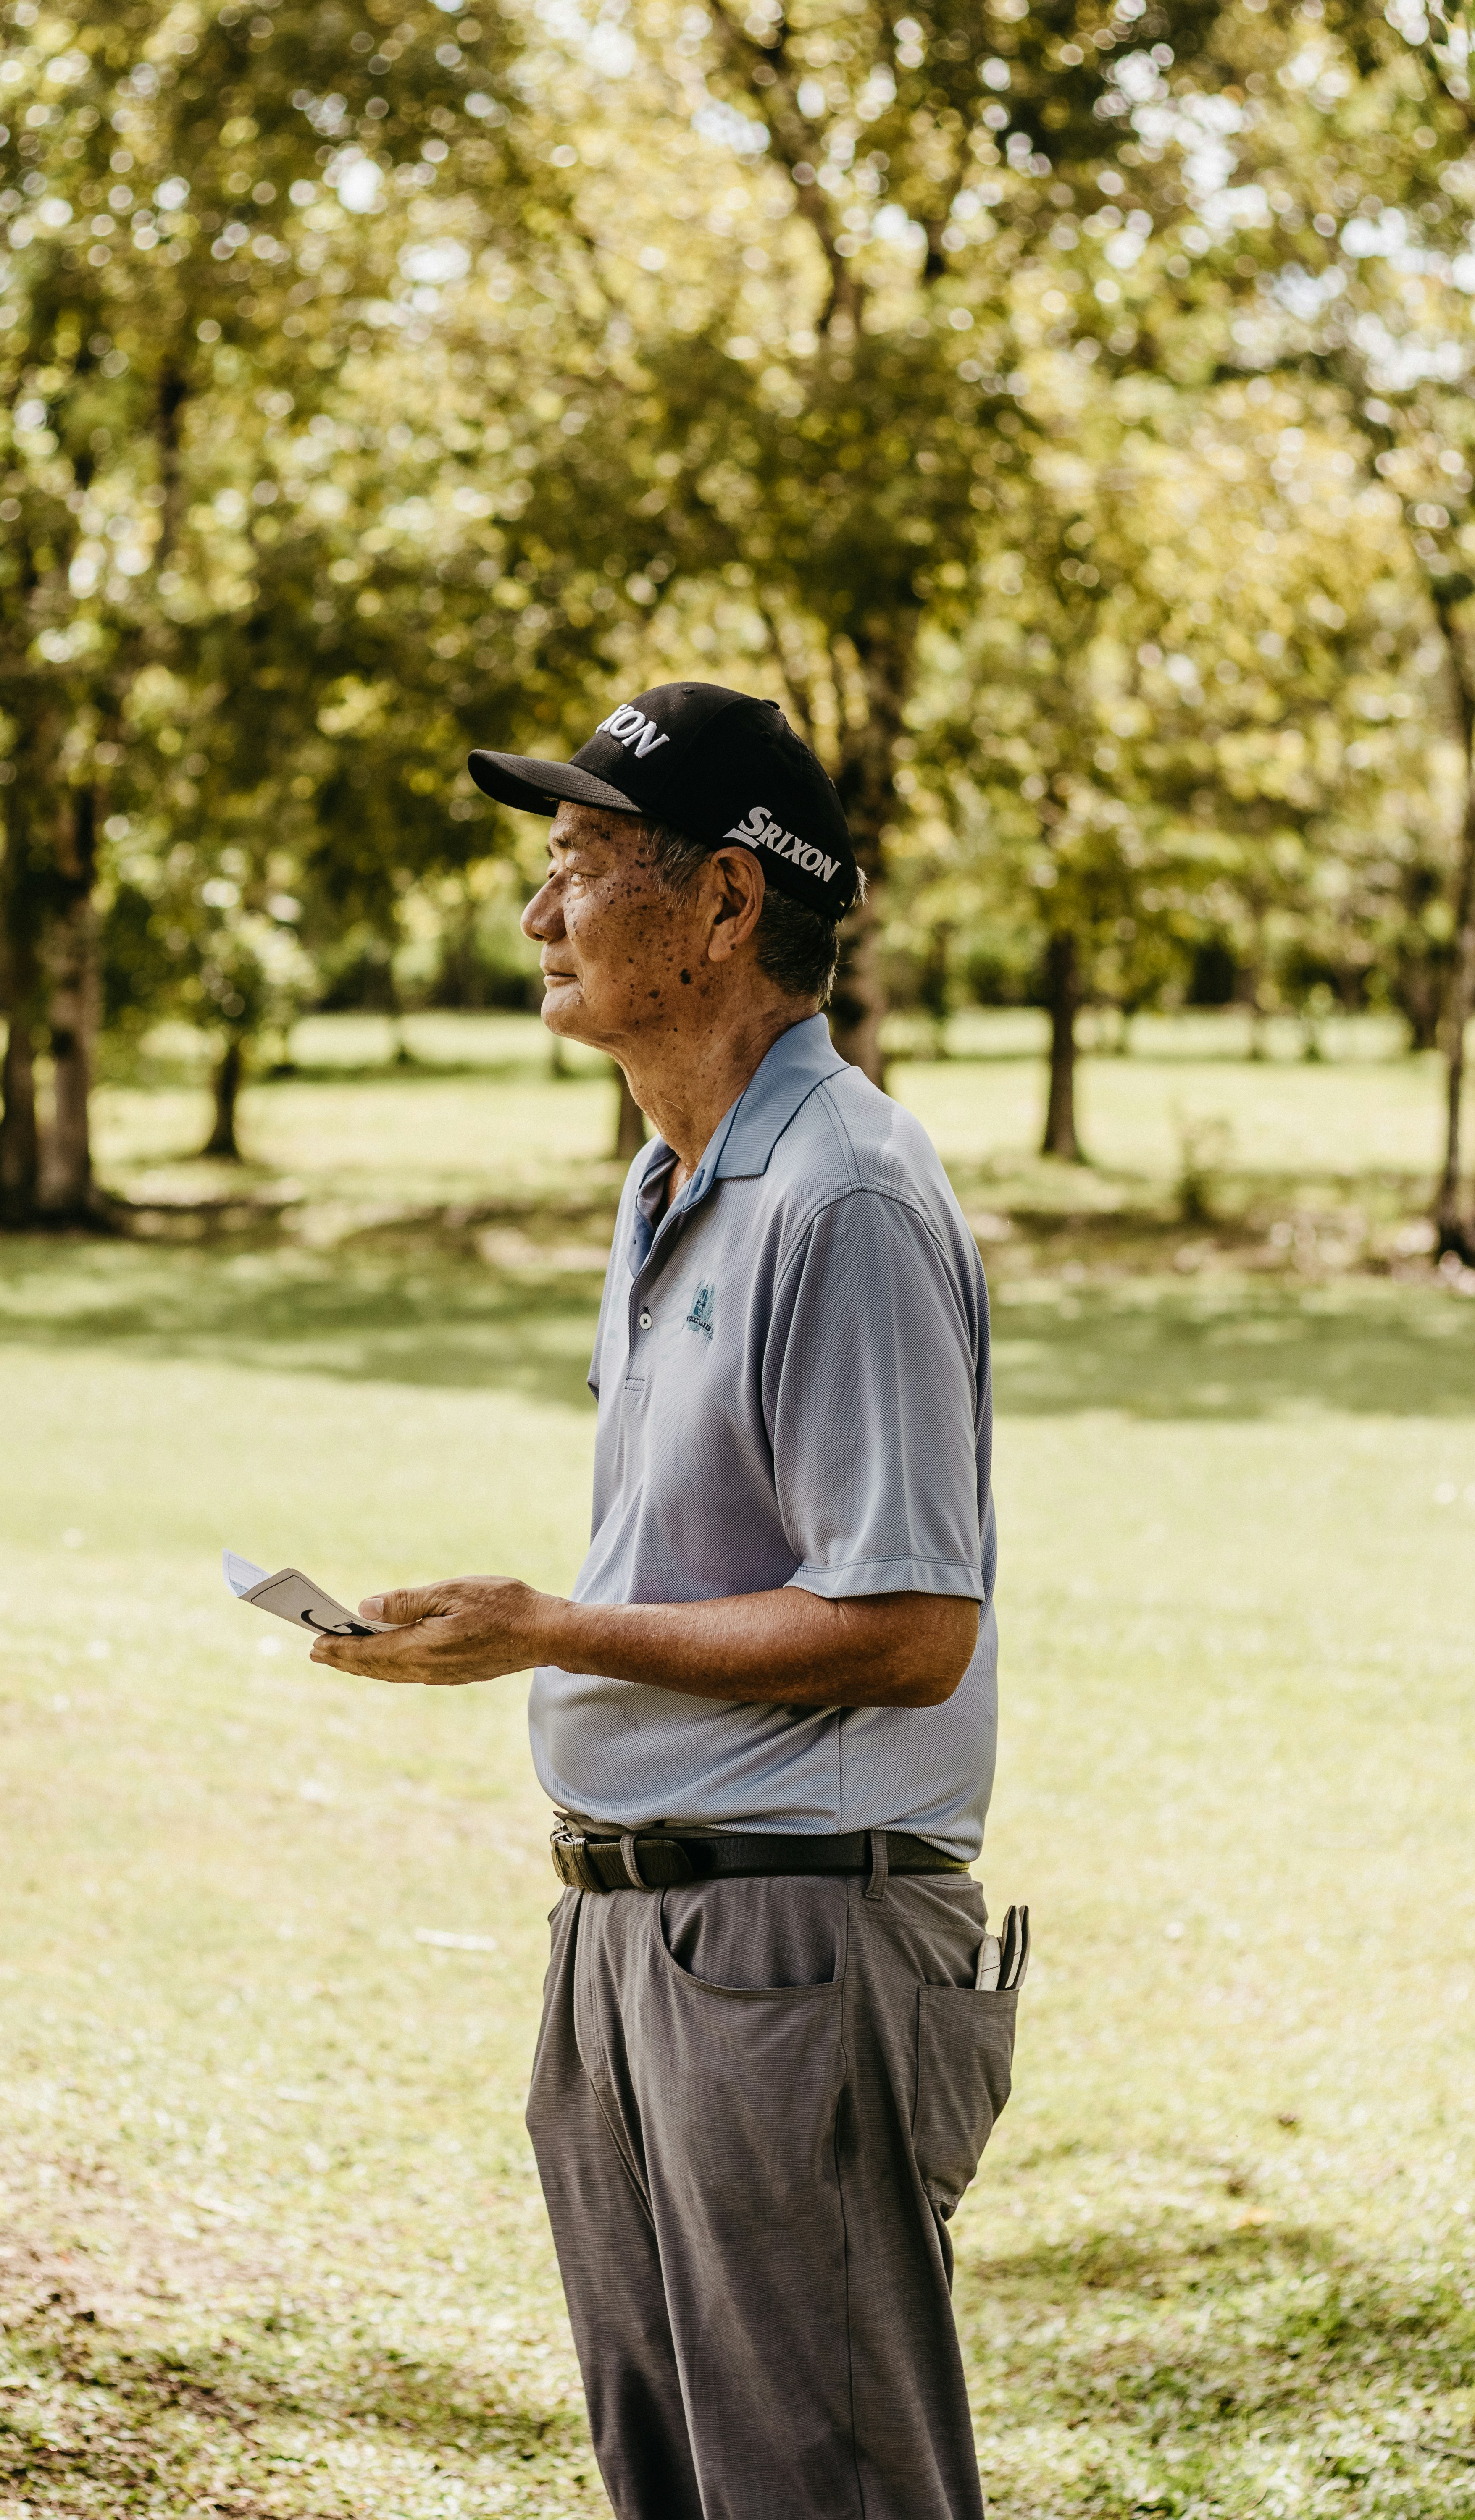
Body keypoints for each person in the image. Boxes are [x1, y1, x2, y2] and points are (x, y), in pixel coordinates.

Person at [309, 681, 1020, 2520]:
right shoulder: (669, 1177)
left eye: (578, 870)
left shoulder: (841, 1195)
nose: (537, 916)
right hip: (635, 1937)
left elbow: (907, 1626)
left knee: (818, 2492)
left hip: (795, 1952)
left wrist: (549, 1630)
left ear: (722, 907)